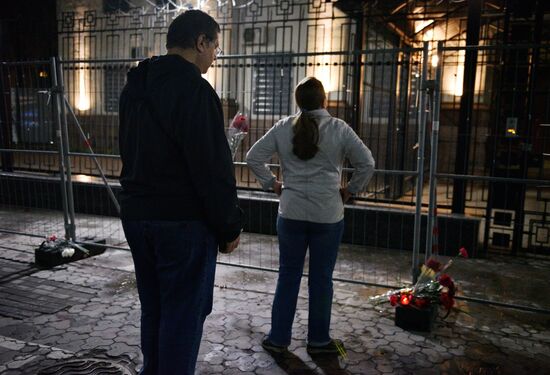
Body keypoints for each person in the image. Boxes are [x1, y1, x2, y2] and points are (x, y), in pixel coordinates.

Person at [118, 9, 242, 375]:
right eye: (215, 46)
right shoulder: (195, 90)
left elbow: (127, 147)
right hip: (182, 222)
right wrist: (229, 225)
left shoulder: (135, 85)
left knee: (154, 307)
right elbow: (211, 168)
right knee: (184, 314)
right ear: (200, 42)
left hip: (138, 214)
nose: (215, 55)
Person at [246, 77, 375, 355]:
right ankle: (318, 341)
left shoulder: (283, 127)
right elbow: (367, 163)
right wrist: (350, 190)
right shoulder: (339, 128)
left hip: (290, 212)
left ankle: (278, 339)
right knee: (321, 279)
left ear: (298, 101)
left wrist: (273, 185)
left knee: (287, 276)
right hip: (328, 215)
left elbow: (253, 157)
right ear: (324, 100)